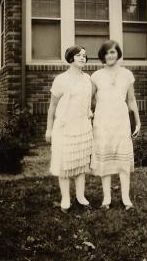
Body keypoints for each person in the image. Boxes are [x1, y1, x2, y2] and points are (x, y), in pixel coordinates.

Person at [91, 40, 141, 210]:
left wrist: (138, 120)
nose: (110, 55)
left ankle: (126, 199)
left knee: (123, 157)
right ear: (102, 56)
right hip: (103, 120)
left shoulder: (127, 74)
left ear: (118, 54)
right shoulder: (96, 76)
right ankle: (106, 199)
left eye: (113, 52)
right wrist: (89, 112)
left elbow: (132, 100)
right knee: (105, 157)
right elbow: (89, 100)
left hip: (121, 119)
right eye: (106, 52)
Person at [45, 45, 93, 213]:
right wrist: (49, 129)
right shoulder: (61, 79)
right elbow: (52, 106)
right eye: (79, 55)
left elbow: (86, 102)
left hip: (83, 126)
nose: (82, 58)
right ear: (71, 58)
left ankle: (80, 197)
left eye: (84, 56)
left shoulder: (87, 79)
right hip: (64, 127)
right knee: (65, 164)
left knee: (81, 163)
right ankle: (65, 199)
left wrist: (89, 113)